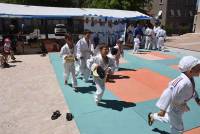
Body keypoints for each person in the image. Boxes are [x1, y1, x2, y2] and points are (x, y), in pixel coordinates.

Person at [148, 56, 200, 134]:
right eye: (198, 67)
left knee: (169, 119)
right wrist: (163, 109)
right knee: (178, 128)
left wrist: (196, 98)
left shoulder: (190, 78)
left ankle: (153, 116)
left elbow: (191, 90)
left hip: (180, 105)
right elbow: (168, 93)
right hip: (174, 106)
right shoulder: (180, 82)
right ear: (190, 70)